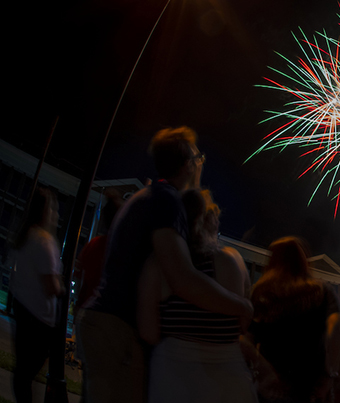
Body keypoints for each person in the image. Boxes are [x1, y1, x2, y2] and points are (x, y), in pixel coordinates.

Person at [78, 127, 252, 403]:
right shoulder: (167, 201)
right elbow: (183, 278)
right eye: (198, 158)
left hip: (106, 323)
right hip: (116, 329)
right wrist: (241, 305)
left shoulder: (152, 196)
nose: (201, 163)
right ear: (187, 165)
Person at [138, 189, 256, 403]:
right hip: (226, 375)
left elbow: (148, 332)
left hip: (172, 375)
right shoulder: (229, 261)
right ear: (209, 221)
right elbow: (241, 326)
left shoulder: (157, 265)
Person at [246, 237, 340, 402]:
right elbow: (337, 331)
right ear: (303, 261)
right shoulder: (322, 291)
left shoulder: (259, 294)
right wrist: (328, 376)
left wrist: (265, 370)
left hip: (271, 389)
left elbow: (245, 339)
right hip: (311, 388)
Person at [10, 188, 63, 403]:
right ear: (46, 211)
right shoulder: (44, 241)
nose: (56, 215)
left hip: (23, 310)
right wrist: (61, 285)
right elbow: (51, 287)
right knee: (27, 372)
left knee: (22, 372)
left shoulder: (25, 236)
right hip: (38, 320)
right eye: (54, 209)